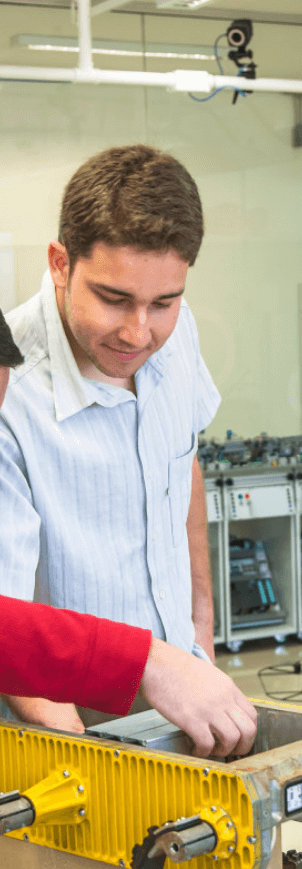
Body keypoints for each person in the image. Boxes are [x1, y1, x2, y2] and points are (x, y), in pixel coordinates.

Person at [0, 311, 257, 757]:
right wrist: (144, 662)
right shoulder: (29, 389)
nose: (138, 332)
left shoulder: (179, 339)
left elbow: (182, 467)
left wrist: (191, 635)